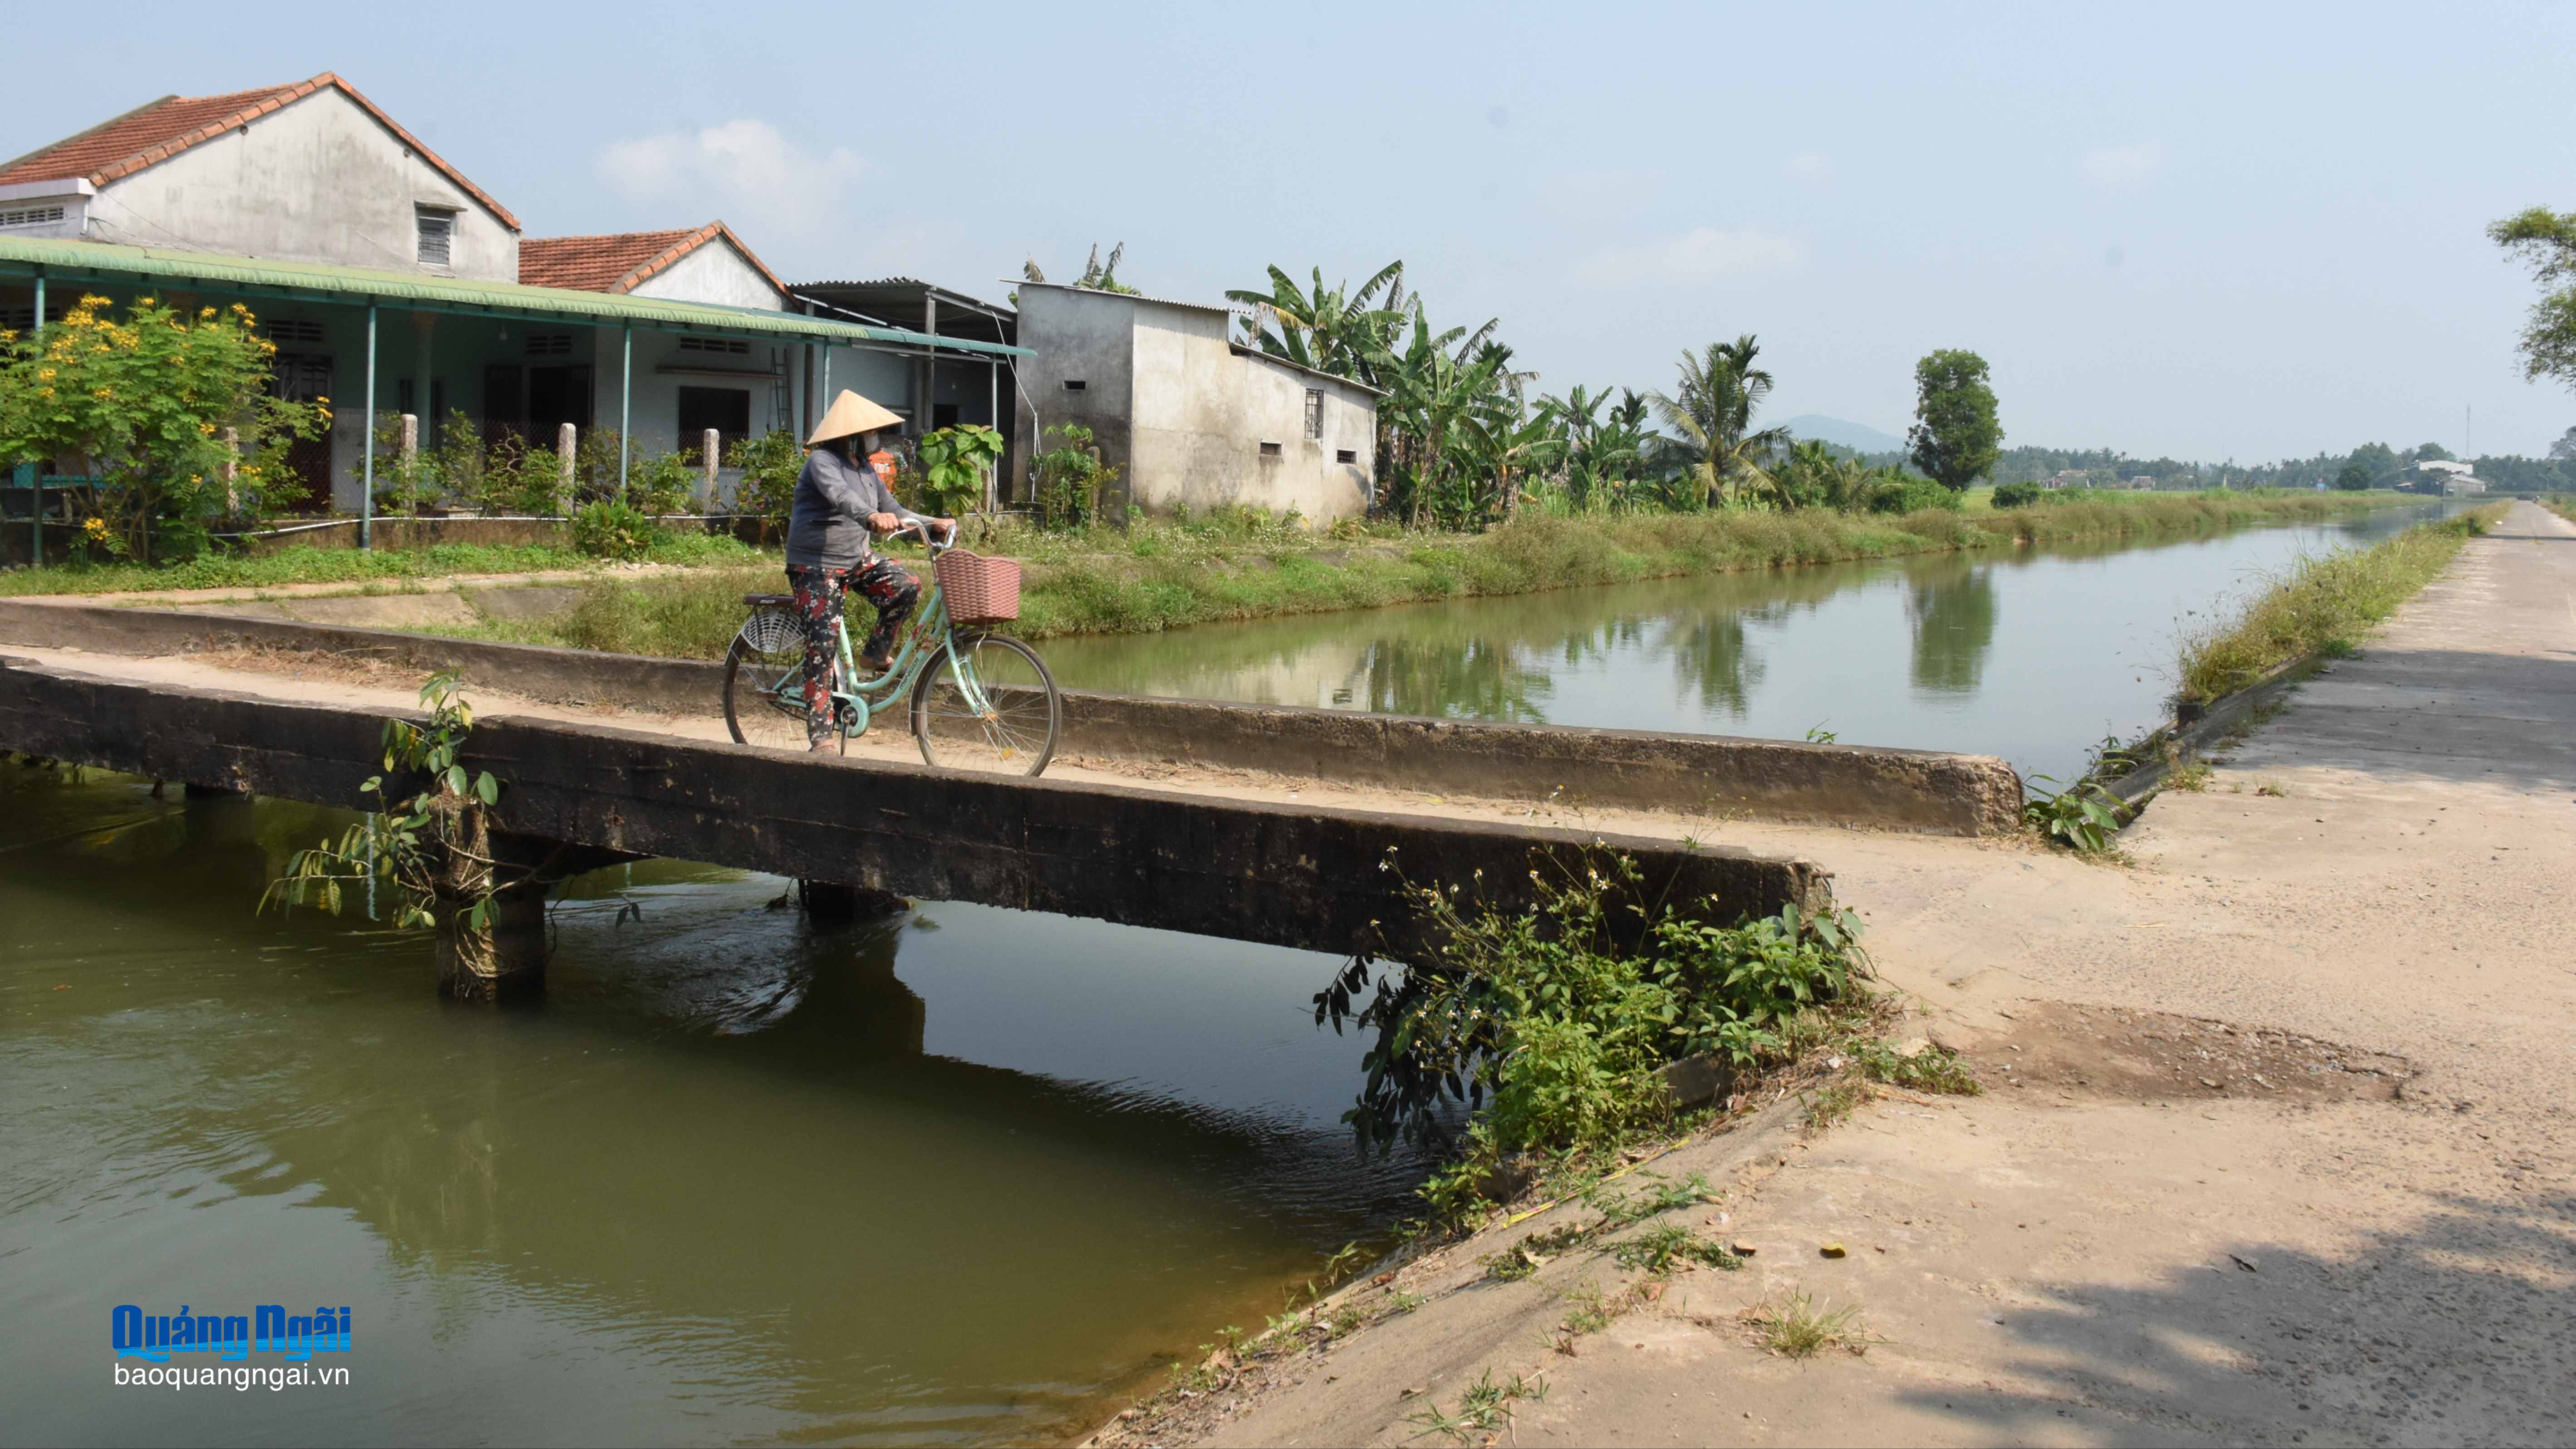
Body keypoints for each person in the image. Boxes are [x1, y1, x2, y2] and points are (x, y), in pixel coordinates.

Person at [784, 390, 955, 751]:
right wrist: (870, 517)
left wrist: (932, 522)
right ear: (850, 434)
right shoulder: (822, 462)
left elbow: (893, 507)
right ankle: (821, 738)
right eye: (870, 433)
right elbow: (841, 498)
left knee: (906, 585)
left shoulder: (864, 469)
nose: (875, 439)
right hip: (816, 564)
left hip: (856, 558)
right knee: (822, 648)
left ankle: (875, 654)